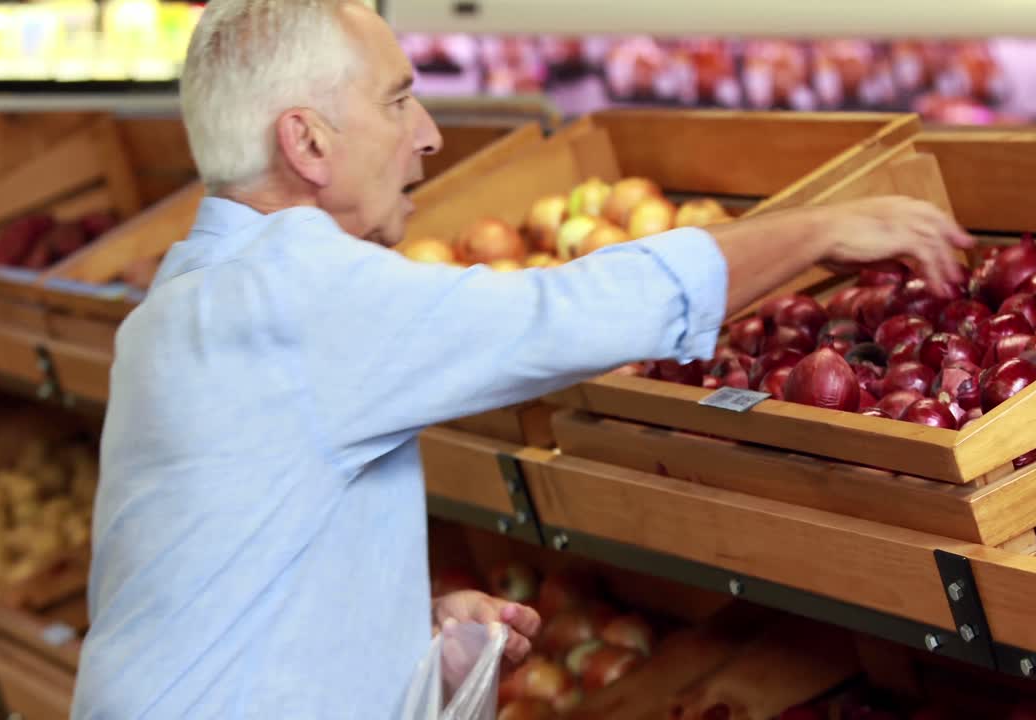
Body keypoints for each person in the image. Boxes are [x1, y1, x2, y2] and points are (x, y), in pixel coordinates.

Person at [70, 2, 973, 718]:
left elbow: (218, 569)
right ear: (306, 143)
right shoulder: (293, 292)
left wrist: (401, 640)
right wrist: (820, 229)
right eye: (396, 100)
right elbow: (565, 314)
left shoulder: (186, 299)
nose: (426, 133)